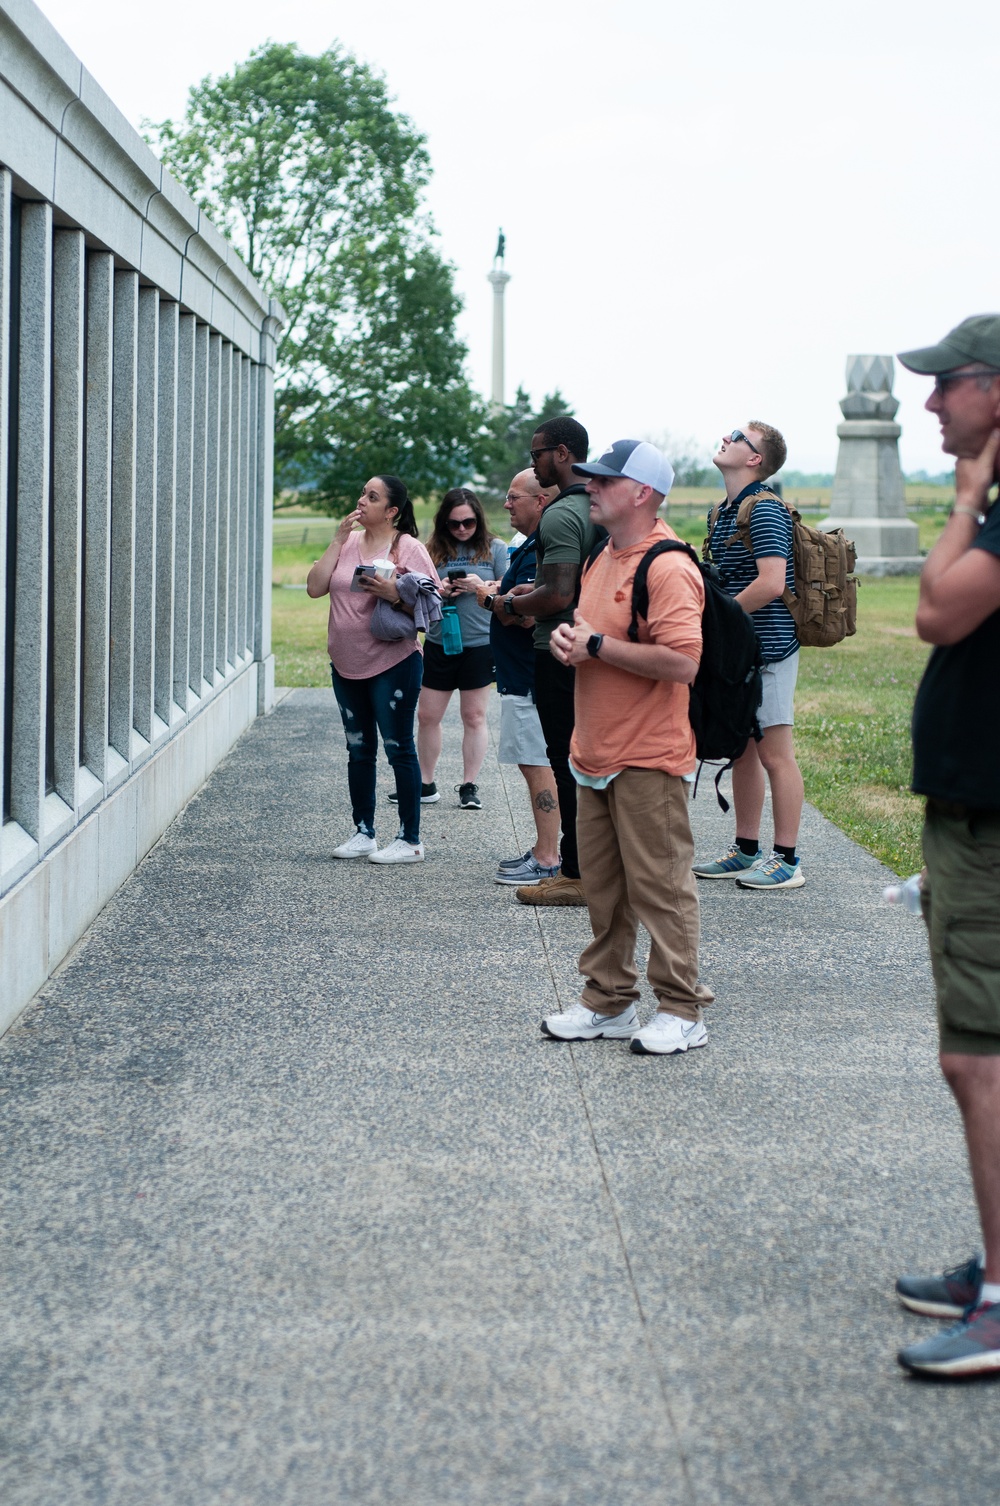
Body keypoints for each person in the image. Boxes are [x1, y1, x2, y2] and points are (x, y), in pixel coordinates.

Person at [888, 316, 1000, 1379]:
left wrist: (967, 501)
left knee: (978, 1059)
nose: (929, 405)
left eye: (947, 387)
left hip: (990, 826)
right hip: (975, 817)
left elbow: (934, 610)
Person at [539, 439, 714, 1055]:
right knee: (607, 891)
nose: (591, 485)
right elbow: (594, 638)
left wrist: (594, 649)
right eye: (591, 478)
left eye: (605, 480)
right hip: (594, 754)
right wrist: (572, 643)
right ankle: (607, 1002)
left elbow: (682, 662)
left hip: (647, 757)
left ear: (642, 492)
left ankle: (683, 1010)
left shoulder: (666, 566)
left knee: (661, 889)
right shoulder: (602, 556)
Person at [692, 423, 806, 891]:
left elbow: (772, 583)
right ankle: (746, 849)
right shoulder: (724, 511)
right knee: (742, 751)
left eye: (739, 435)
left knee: (777, 754)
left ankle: (787, 860)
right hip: (741, 650)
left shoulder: (765, 511)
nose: (727, 436)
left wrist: (722, 616)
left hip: (771, 649)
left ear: (755, 458)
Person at [306, 475, 436, 865]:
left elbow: (433, 602)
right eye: (362, 492)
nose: (362, 500)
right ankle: (364, 832)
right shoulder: (347, 543)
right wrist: (335, 539)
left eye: (372, 496)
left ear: (391, 511)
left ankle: (410, 839)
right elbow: (315, 588)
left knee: (399, 748)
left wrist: (394, 594)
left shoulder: (407, 547)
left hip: (392, 663)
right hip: (345, 665)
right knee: (359, 750)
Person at [501, 416, 598, 907]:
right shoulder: (597, 505)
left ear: (562, 453)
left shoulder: (561, 514)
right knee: (587, 763)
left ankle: (576, 874)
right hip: (589, 649)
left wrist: (510, 604)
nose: (532, 460)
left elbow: (559, 592)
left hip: (556, 652)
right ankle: (595, 867)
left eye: (537, 452)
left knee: (565, 764)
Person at [474, 470, 561, 887]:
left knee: (536, 763)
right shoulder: (531, 546)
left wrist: (490, 598)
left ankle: (548, 858)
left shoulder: (540, 548)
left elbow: (527, 615)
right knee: (534, 763)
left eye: (513, 497)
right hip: (521, 677)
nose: (506, 504)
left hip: (528, 679)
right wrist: (507, 594)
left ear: (540, 501)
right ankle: (547, 849)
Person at [414, 488, 508, 810]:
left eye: (468, 523)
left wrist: (480, 587)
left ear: (478, 520)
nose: (462, 530)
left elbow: (509, 587)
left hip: (479, 643)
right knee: (427, 715)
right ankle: (425, 784)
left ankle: (469, 785)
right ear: (444, 524)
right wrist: (439, 590)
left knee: (474, 715)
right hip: (440, 640)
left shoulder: (495, 548)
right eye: (454, 524)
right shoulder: (431, 550)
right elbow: (416, 589)